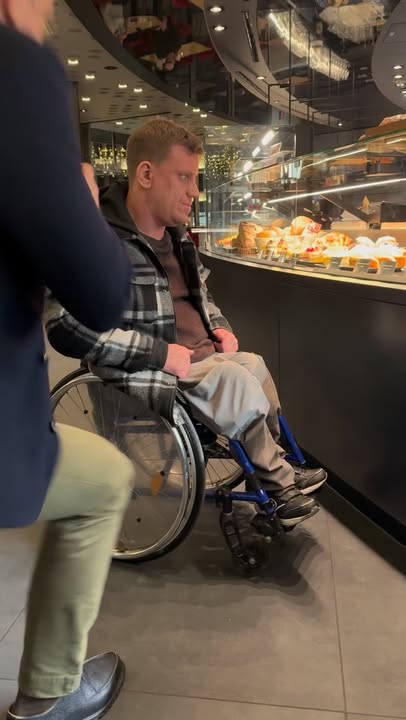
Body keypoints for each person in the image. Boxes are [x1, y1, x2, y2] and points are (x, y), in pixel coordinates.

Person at [47, 118, 327, 529]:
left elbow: (201, 296)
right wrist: (160, 354)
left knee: (254, 366)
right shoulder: (97, 242)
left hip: (201, 357)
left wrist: (219, 326)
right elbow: (63, 325)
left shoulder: (178, 236)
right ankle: (280, 485)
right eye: (184, 177)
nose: (195, 191)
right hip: (152, 367)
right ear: (146, 174)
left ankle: (279, 461)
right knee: (235, 381)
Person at [0, 2, 136, 719]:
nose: (49, 11)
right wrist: (82, 206)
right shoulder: (15, 70)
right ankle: (48, 698)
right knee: (105, 480)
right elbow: (102, 293)